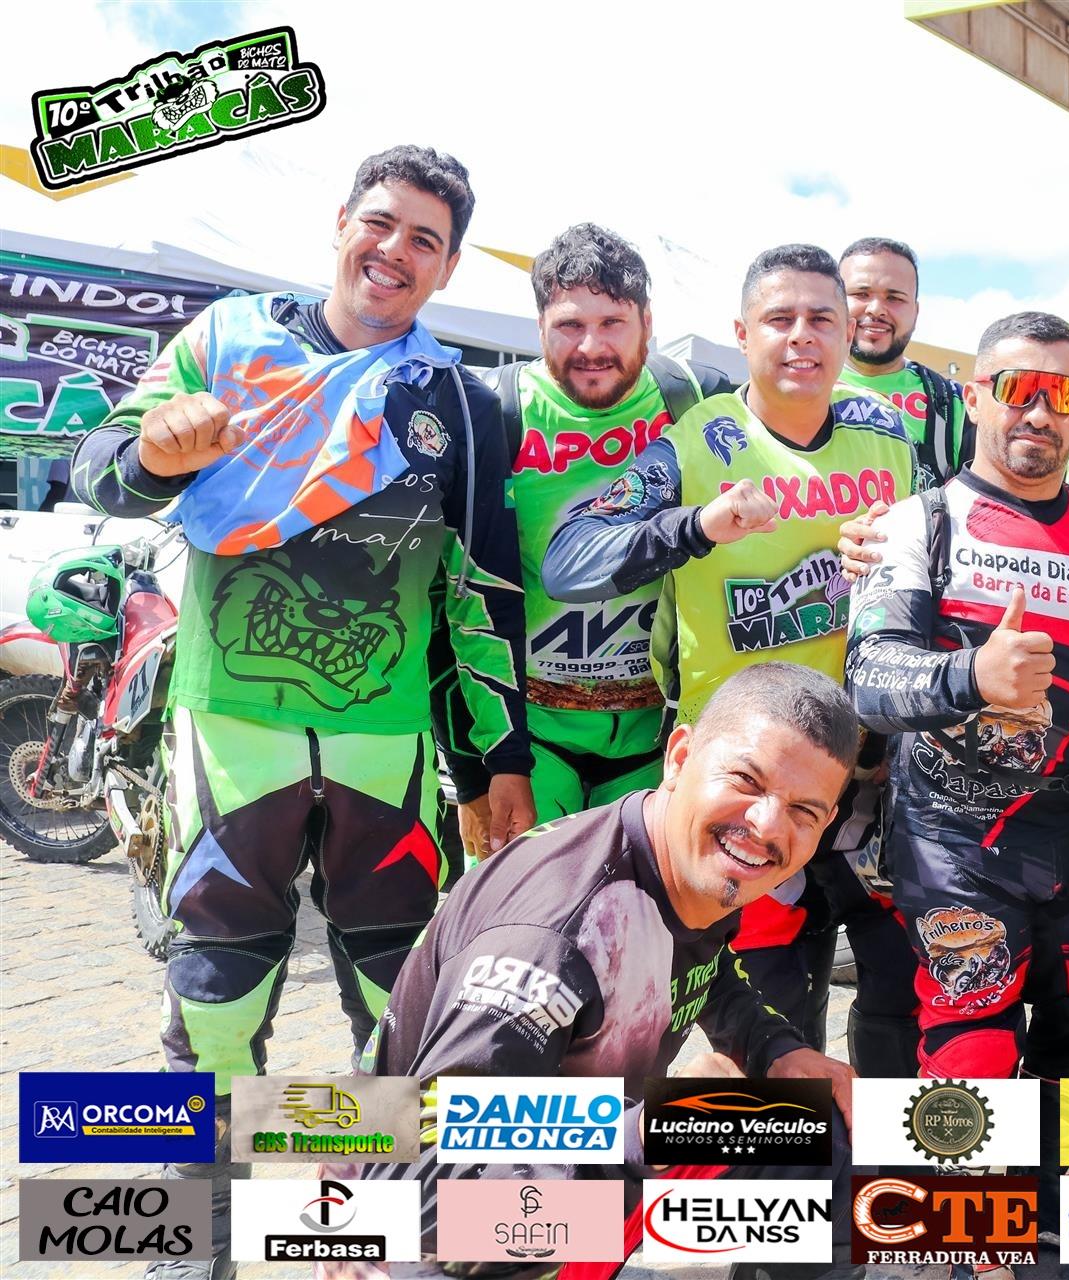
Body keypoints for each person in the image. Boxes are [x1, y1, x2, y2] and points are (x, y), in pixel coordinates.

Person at [68, 144, 535, 1280]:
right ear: (340, 221)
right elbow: (99, 467)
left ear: (449, 267)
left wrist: (497, 761)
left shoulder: (461, 401)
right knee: (214, 990)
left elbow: (481, 589)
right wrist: (154, 455)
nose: (396, 250)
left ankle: (363, 1237)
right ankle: (195, 1241)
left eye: (426, 239)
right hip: (229, 728)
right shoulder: (227, 343)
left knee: (392, 996)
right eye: (382, 221)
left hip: (385, 743)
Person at [542, 244, 920, 1071]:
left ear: (847, 332)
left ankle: (862, 1150)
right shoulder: (698, 442)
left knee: (896, 1011)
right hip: (747, 786)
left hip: (864, 779)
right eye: (779, 318)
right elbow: (568, 562)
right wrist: (697, 526)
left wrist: (898, 553)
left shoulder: (887, 435)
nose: (801, 335)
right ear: (743, 333)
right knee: (748, 1031)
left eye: (821, 318)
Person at [357, 662, 861, 1278]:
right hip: (426, 1237)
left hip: (580, 1184)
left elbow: (702, 964)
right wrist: (652, 1134)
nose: (767, 825)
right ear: (680, 756)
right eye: (746, 781)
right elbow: (429, 1203)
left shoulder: (681, 854)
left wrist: (774, 1048)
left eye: (804, 810)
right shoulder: (549, 944)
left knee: (818, 1137)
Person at [845, 309, 1069, 1083]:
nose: (1040, 412)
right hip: (953, 843)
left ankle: (1055, 1171)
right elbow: (869, 679)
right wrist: (972, 677)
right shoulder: (916, 522)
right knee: (973, 1055)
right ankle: (965, 1170)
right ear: (975, 396)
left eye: (1064, 394)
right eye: (1019, 388)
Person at [433, 223, 730, 842]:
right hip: (528, 743)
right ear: (539, 326)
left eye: (613, 323)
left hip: (660, 737)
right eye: (569, 325)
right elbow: (447, 596)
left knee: (643, 904)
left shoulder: (697, 399)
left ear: (647, 322)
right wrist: (470, 775)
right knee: (518, 905)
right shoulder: (496, 411)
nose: (592, 347)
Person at [838, 236, 972, 490]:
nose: (876, 309)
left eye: (894, 298)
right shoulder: (792, 394)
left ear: (916, 312)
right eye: (861, 294)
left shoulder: (955, 404)